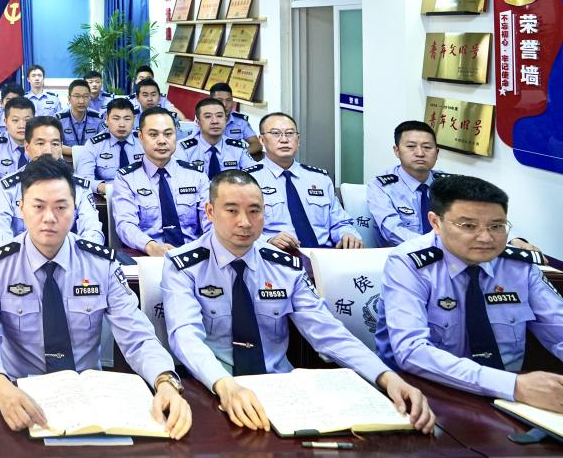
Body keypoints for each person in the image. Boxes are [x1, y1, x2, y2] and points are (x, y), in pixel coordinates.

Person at [161, 169, 435, 434]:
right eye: (231, 210)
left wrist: (386, 377)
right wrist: (224, 384)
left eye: (254, 211)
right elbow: (185, 337)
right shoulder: (184, 266)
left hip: (280, 392)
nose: (244, 222)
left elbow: (328, 332)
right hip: (212, 388)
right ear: (210, 212)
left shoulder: (285, 267)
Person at [0, 156, 191, 439]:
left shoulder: (101, 264)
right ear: (20, 209)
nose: (49, 218)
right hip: (20, 392)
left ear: (75, 209)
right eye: (38, 207)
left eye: (61, 207)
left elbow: (138, 337)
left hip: (89, 398)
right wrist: (1, 387)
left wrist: (165, 381)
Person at [375, 175, 563, 412]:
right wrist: (513, 386)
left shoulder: (518, 266)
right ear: (435, 222)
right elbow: (412, 351)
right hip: (426, 394)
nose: (486, 238)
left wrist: (513, 388)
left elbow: (559, 329)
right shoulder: (410, 264)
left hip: (510, 400)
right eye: (468, 226)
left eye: (497, 226)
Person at [245, 112, 361, 250]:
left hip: (325, 254)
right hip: (278, 255)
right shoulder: (248, 181)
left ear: (298, 140)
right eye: (276, 133)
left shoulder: (320, 179)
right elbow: (238, 229)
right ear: (262, 140)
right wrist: (268, 240)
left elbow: (340, 222)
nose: (284, 140)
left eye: (289, 133)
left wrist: (347, 234)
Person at [0, 117, 103, 248]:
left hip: (70, 256)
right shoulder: (8, 187)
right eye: (40, 143)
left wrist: (80, 257)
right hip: (21, 257)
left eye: (55, 144)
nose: (48, 151)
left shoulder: (80, 187)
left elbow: (92, 230)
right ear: (27, 147)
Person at [111, 108, 210, 256]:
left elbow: (211, 222)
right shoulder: (126, 178)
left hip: (193, 255)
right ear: (140, 137)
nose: (162, 141)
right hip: (147, 256)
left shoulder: (197, 176)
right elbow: (125, 225)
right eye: (153, 134)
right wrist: (151, 246)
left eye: (168, 134)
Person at [75, 98, 144, 196]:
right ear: (107, 119)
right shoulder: (94, 144)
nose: (122, 124)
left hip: (142, 194)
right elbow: (83, 178)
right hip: (109, 195)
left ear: (134, 119)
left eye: (127, 119)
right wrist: (104, 188)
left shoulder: (144, 141)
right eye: (116, 118)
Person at [177, 98, 256, 178]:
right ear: (198, 122)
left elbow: (254, 174)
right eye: (208, 116)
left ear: (225, 120)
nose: (215, 121)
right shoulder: (183, 149)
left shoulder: (237, 148)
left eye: (219, 116)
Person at [208, 82, 260, 158]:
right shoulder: (203, 120)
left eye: (228, 100)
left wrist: (239, 155)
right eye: (220, 100)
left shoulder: (240, 121)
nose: (225, 104)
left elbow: (256, 144)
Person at [56, 78, 104, 157]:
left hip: (92, 159)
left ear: (90, 98)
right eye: (77, 96)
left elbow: (103, 144)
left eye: (85, 96)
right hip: (67, 160)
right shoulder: (59, 119)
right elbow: (56, 145)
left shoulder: (98, 118)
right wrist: (80, 152)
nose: (81, 101)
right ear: (69, 99)